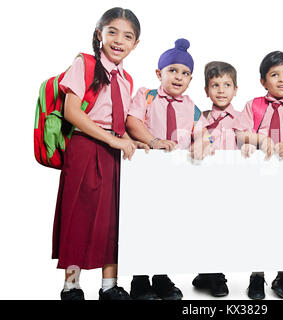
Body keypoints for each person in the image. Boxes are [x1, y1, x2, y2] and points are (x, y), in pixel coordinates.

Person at [52, 7, 145, 300]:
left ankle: (109, 285)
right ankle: (71, 286)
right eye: (112, 32)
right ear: (99, 34)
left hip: (113, 152)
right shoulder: (86, 63)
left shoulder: (126, 78)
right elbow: (72, 112)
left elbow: (119, 121)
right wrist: (114, 140)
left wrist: (135, 141)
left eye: (128, 36)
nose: (119, 40)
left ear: (136, 44)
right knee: (78, 213)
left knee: (114, 218)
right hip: (84, 147)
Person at [126, 38, 206, 300]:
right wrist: (154, 140)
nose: (179, 77)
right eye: (173, 70)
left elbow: (203, 134)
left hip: (175, 176)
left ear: (190, 79)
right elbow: (132, 122)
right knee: (142, 223)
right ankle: (139, 280)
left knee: (167, 226)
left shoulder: (192, 107)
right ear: (159, 73)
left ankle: (160, 277)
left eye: (185, 74)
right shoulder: (146, 96)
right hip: (145, 173)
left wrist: (201, 145)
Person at [234, 51, 283, 299]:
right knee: (258, 224)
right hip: (258, 175)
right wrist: (254, 139)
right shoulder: (253, 106)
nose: (281, 79)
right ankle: (256, 275)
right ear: (263, 81)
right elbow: (239, 134)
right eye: (274, 75)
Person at [190, 61, 240, 297]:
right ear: (206, 90)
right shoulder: (201, 118)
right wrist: (201, 142)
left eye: (227, 85)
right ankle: (206, 272)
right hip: (205, 182)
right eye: (215, 85)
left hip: (233, 181)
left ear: (236, 89)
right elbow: (195, 140)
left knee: (225, 227)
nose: (221, 90)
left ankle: (218, 276)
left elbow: (249, 140)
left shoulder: (242, 118)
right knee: (204, 225)